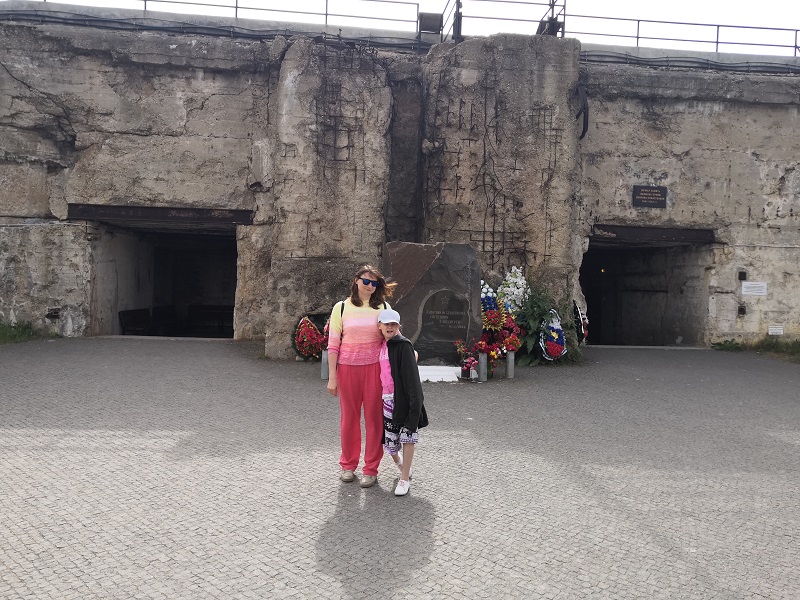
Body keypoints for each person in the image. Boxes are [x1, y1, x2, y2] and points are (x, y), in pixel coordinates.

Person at [327, 265, 395, 488]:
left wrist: (409, 354)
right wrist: (332, 377)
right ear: (356, 280)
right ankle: (348, 465)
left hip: (375, 369)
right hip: (347, 369)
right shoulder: (341, 308)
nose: (369, 286)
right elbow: (333, 345)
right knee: (349, 419)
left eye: (374, 283)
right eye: (366, 281)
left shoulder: (383, 308)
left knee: (375, 420)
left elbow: (394, 336)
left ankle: (371, 469)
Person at [377, 308, 428, 496]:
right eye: (386, 324)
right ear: (379, 326)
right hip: (387, 399)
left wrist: (415, 405)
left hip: (403, 399)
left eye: (394, 324)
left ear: (399, 326)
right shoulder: (382, 345)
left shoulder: (404, 346)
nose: (390, 327)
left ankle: (404, 478)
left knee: (407, 437)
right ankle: (400, 463)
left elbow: (412, 379)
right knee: (390, 441)